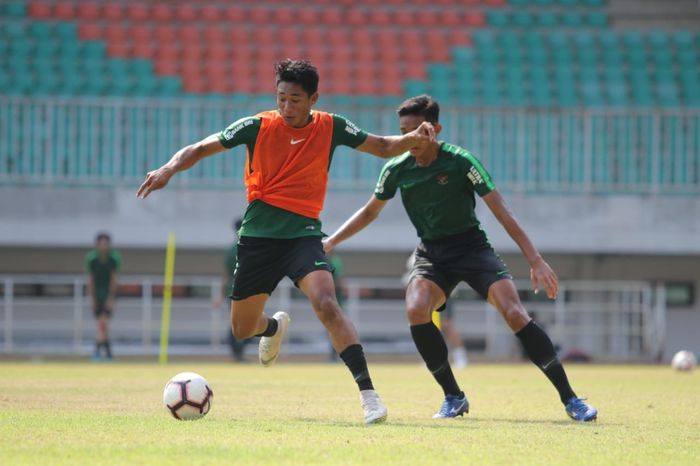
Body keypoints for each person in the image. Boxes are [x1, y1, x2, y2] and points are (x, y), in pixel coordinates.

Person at [136, 60, 435, 424]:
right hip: (258, 238)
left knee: (327, 304)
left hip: (303, 235)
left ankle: (369, 397)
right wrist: (169, 168)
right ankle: (273, 328)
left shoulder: (331, 126)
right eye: (281, 98)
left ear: (314, 98)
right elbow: (200, 147)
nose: (287, 107)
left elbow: (384, 146)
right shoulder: (257, 126)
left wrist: (412, 140)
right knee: (243, 329)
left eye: (295, 100)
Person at [323, 95, 598, 422]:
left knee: (513, 313)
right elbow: (370, 211)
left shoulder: (461, 162)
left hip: (472, 249)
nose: (409, 138)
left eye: (417, 130)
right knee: (415, 309)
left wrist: (535, 259)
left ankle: (571, 399)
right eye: (403, 132)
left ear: (435, 129)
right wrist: (331, 242)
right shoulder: (396, 168)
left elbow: (502, 211)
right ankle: (453, 396)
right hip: (432, 254)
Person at [404, 254, 468, 368]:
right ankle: (431, 359)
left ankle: (460, 357)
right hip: (424, 296)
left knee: (446, 324)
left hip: (442, 293)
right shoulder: (418, 253)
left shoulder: (442, 250)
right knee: (426, 326)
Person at [212, 217, 252, 362]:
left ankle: (236, 352)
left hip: (232, 291)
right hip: (248, 290)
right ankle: (237, 352)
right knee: (251, 322)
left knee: (237, 322)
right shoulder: (250, 247)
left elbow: (225, 275)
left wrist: (220, 295)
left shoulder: (231, 249)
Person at [85, 232, 121, 361]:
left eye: (106, 244)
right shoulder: (92, 259)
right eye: (102, 244)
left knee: (103, 322)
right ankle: (108, 353)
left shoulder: (113, 259)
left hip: (107, 296)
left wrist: (111, 298)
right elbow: (91, 280)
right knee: (102, 325)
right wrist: (92, 298)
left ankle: (97, 351)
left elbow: (113, 280)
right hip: (97, 296)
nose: (104, 246)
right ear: (97, 245)